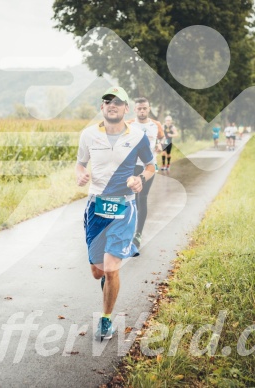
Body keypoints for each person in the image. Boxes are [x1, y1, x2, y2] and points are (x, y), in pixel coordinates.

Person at [76, 86, 156, 341]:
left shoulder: (138, 136)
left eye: (118, 102)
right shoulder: (88, 135)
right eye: (107, 101)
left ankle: (106, 319)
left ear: (126, 109)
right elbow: (80, 163)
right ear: (102, 107)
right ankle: (106, 281)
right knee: (98, 271)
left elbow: (151, 167)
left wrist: (140, 178)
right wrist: (80, 173)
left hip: (124, 205)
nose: (112, 105)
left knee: (111, 269)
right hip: (96, 206)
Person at [127, 97, 164, 249]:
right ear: (135, 109)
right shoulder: (128, 124)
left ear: (149, 109)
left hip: (149, 167)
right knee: (130, 198)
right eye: (139, 108)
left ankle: (138, 234)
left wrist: (161, 145)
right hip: (131, 166)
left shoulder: (156, 125)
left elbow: (164, 139)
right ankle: (127, 229)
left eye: (145, 108)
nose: (142, 111)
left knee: (142, 198)